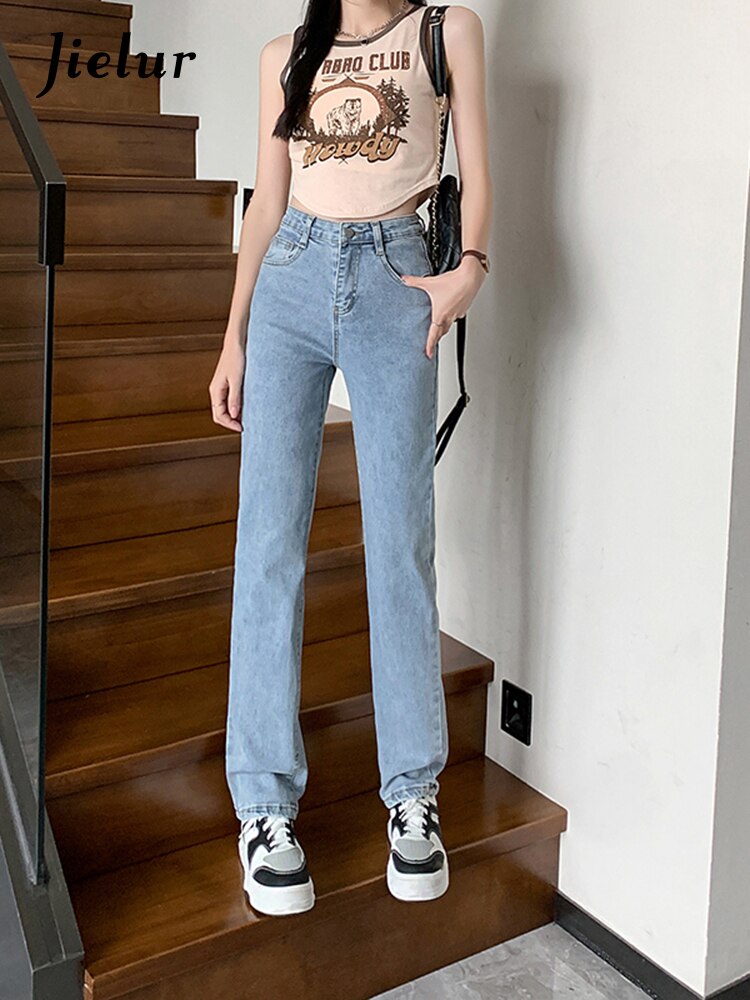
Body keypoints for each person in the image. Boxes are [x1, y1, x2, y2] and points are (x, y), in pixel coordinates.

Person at [209, 0, 492, 918]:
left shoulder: (446, 31)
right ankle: (263, 807)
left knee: (400, 544)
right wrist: (234, 335)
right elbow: (267, 198)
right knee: (268, 546)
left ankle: (413, 793)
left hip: (396, 275)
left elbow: (478, 170)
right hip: (289, 277)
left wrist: (470, 266)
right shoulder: (286, 53)